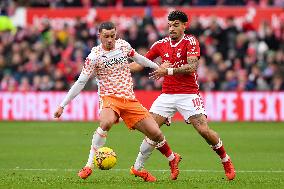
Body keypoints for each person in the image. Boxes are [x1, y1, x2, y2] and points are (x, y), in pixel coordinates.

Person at [53, 21, 181, 182]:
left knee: (155, 133)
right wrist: (62, 105)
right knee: (106, 122)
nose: (110, 39)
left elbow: (139, 59)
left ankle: (172, 158)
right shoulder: (94, 57)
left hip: (129, 99)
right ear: (99, 35)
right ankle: (88, 166)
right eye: (106, 36)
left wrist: (158, 67)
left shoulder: (123, 46)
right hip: (109, 98)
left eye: (112, 36)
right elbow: (80, 82)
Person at [130, 10, 236, 180]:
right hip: (167, 95)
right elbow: (140, 64)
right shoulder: (160, 44)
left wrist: (168, 71)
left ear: (184, 26)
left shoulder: (190, 41)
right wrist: (119, 68)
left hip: (188, 93)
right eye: (170, 25)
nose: (171, 28)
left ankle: (226, 160)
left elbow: (192, 67)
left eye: (176, 25)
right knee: (151, 130)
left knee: (203, 130)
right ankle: (141, 168)